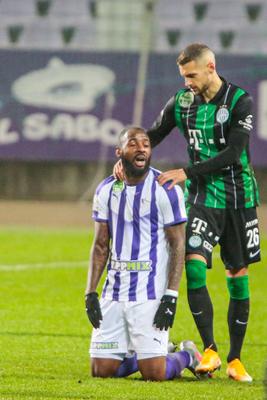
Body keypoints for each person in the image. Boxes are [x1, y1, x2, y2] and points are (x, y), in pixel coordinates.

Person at [114, 43, 261, 382]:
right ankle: (208, 350)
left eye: (192, 75)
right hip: (201, 198)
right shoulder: (181, 103)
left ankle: (235, 359)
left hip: (239, 200)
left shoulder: (240, 102)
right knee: (194, 267)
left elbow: (234, 153)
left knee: (237, 276)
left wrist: (185, 172)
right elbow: (151, 136)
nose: (187, 83)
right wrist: (127, 157)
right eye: (183, 76)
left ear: (211, 67)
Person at [85, 126, 202, 381]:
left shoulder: (166, 189)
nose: (141, 148)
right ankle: (152, 351)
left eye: (146, 144)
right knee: (101, 371)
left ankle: (187, 355)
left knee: (155, 373)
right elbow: (100, 245)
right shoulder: (106, 190)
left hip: (149, 293)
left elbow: (178, 244)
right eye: (133, 144)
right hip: (114, 291)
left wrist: (170, 297)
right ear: (120, 152)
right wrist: (90, 292)